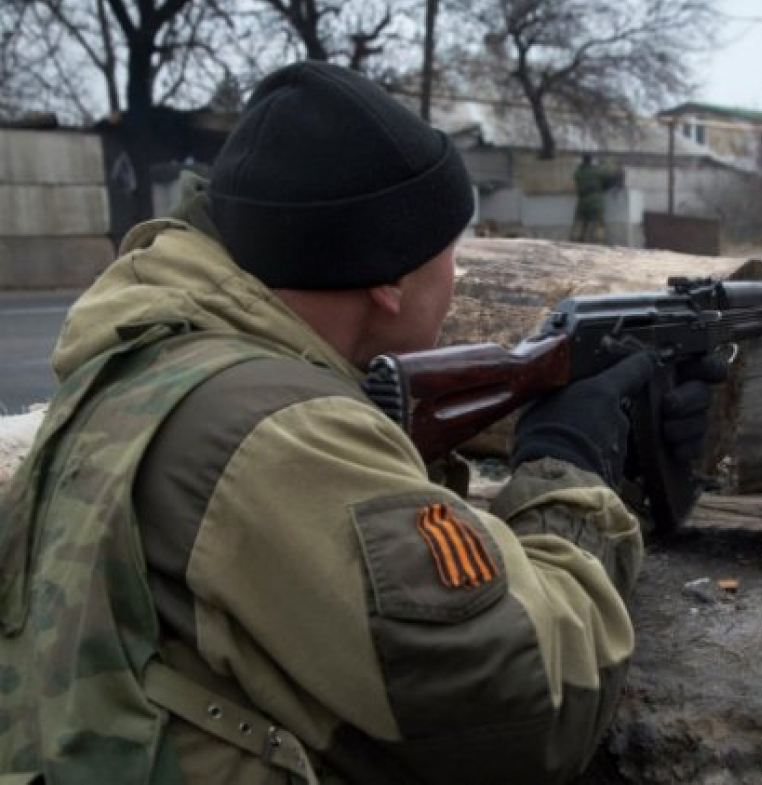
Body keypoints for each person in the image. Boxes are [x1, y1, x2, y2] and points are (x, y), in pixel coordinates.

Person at [0, 61, 718, 783]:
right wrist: (572, 466)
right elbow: (527, 709)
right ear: (387, 277)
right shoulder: (278, 435)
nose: (458, 278)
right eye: (452, 254)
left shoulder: (152, 355)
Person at [570, 154, 623, 243]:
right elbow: (609, 177)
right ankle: (598, 242)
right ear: (591, 161)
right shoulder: (596, 172)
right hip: (595, 201)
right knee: (599, 223)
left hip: (582, 201)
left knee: (580, 222)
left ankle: (575, 240)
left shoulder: (578, 173)